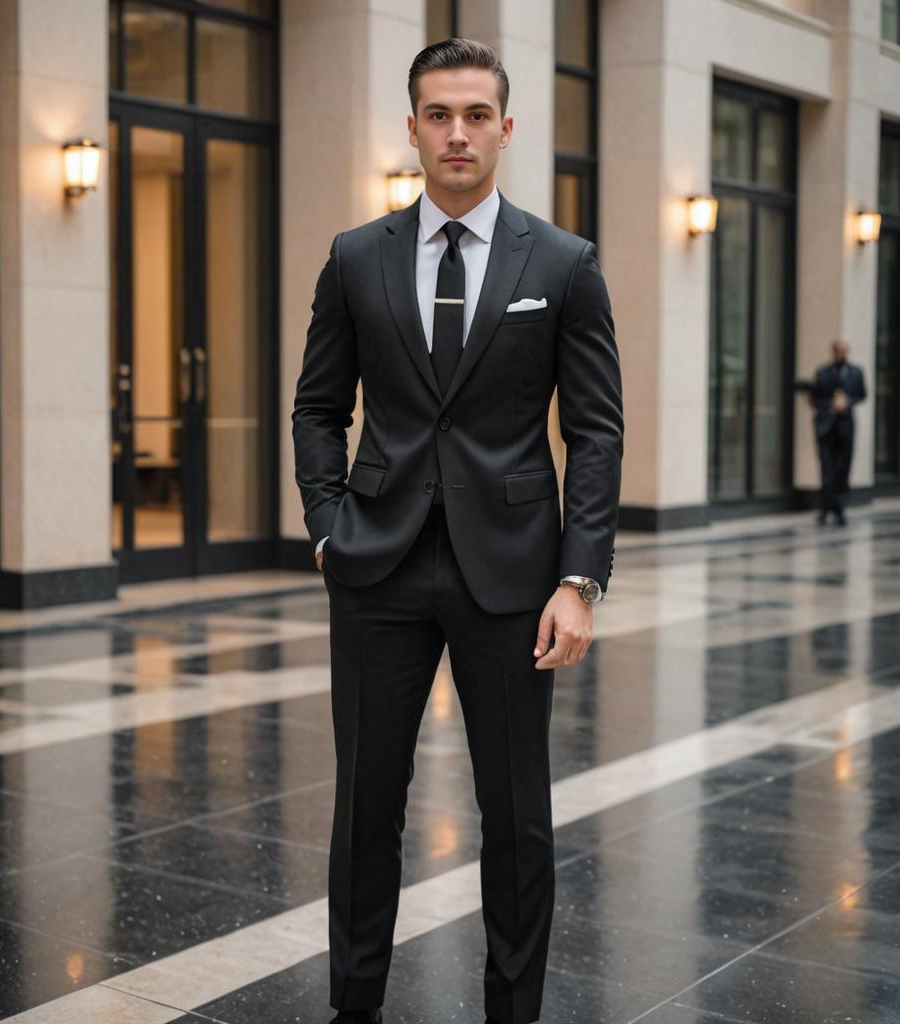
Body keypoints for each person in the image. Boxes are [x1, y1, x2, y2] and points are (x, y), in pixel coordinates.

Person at [291, 38, 623, 1024]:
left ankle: (510, 1012)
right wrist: (324, 526)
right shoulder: (357, 258)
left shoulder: (562, 263)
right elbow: (317, 406)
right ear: (412, 127)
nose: (457, 133)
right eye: (438, 113)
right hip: (377, 568)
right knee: (364, 815)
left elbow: (596, 428)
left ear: (505, 127)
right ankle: (354, 1007)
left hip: (515, 578)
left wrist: (581, 578)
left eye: (476, 114)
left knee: (516, 816)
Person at [811, 339, 866, 525]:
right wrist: (831, 405)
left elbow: (861, 394)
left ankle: (839, 508)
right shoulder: (822, 373)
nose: (840, 354)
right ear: (833, 352)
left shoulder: (856, 373)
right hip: (826, 428)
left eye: (844, 351)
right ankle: (826, 507)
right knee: (827, 470)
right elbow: (815, 399)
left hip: (845, 428)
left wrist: (847, 402)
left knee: (842, 468)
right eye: (837, 351)